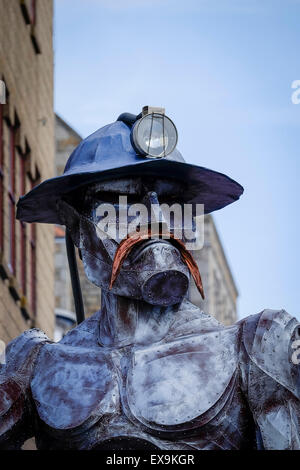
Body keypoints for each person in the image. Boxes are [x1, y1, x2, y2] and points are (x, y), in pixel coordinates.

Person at [0, 108, 299, 450]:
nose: (157, 220)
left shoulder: (258, 348)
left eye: (173, 203)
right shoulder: (34, 364)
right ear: (77, 228)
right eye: (122, 201)